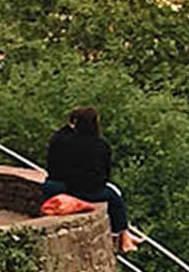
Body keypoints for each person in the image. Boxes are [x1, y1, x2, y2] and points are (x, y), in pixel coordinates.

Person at [43, 107, 133, 252]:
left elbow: (52, 164)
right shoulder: (100, 145)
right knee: (115, 196)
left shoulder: (62, 141)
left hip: (59, 187)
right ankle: (122, 235)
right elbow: (104, 174)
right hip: (86, 191)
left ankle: (126, 236)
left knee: (51, 184)